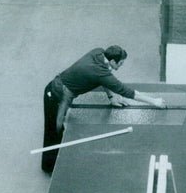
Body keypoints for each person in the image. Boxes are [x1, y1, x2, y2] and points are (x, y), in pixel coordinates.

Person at [42, 45, 166, 173]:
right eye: (121, 63)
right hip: (56, 96)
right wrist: (154, 101)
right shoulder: (99, 72)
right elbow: (126, 92)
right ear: (113, 61)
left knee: (58, 129)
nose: (122, 65)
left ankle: (55, 160)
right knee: (55, 131)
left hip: (61, 89)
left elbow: (103, 77)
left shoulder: (98, 52)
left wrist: (111, 96)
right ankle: (49, 167)